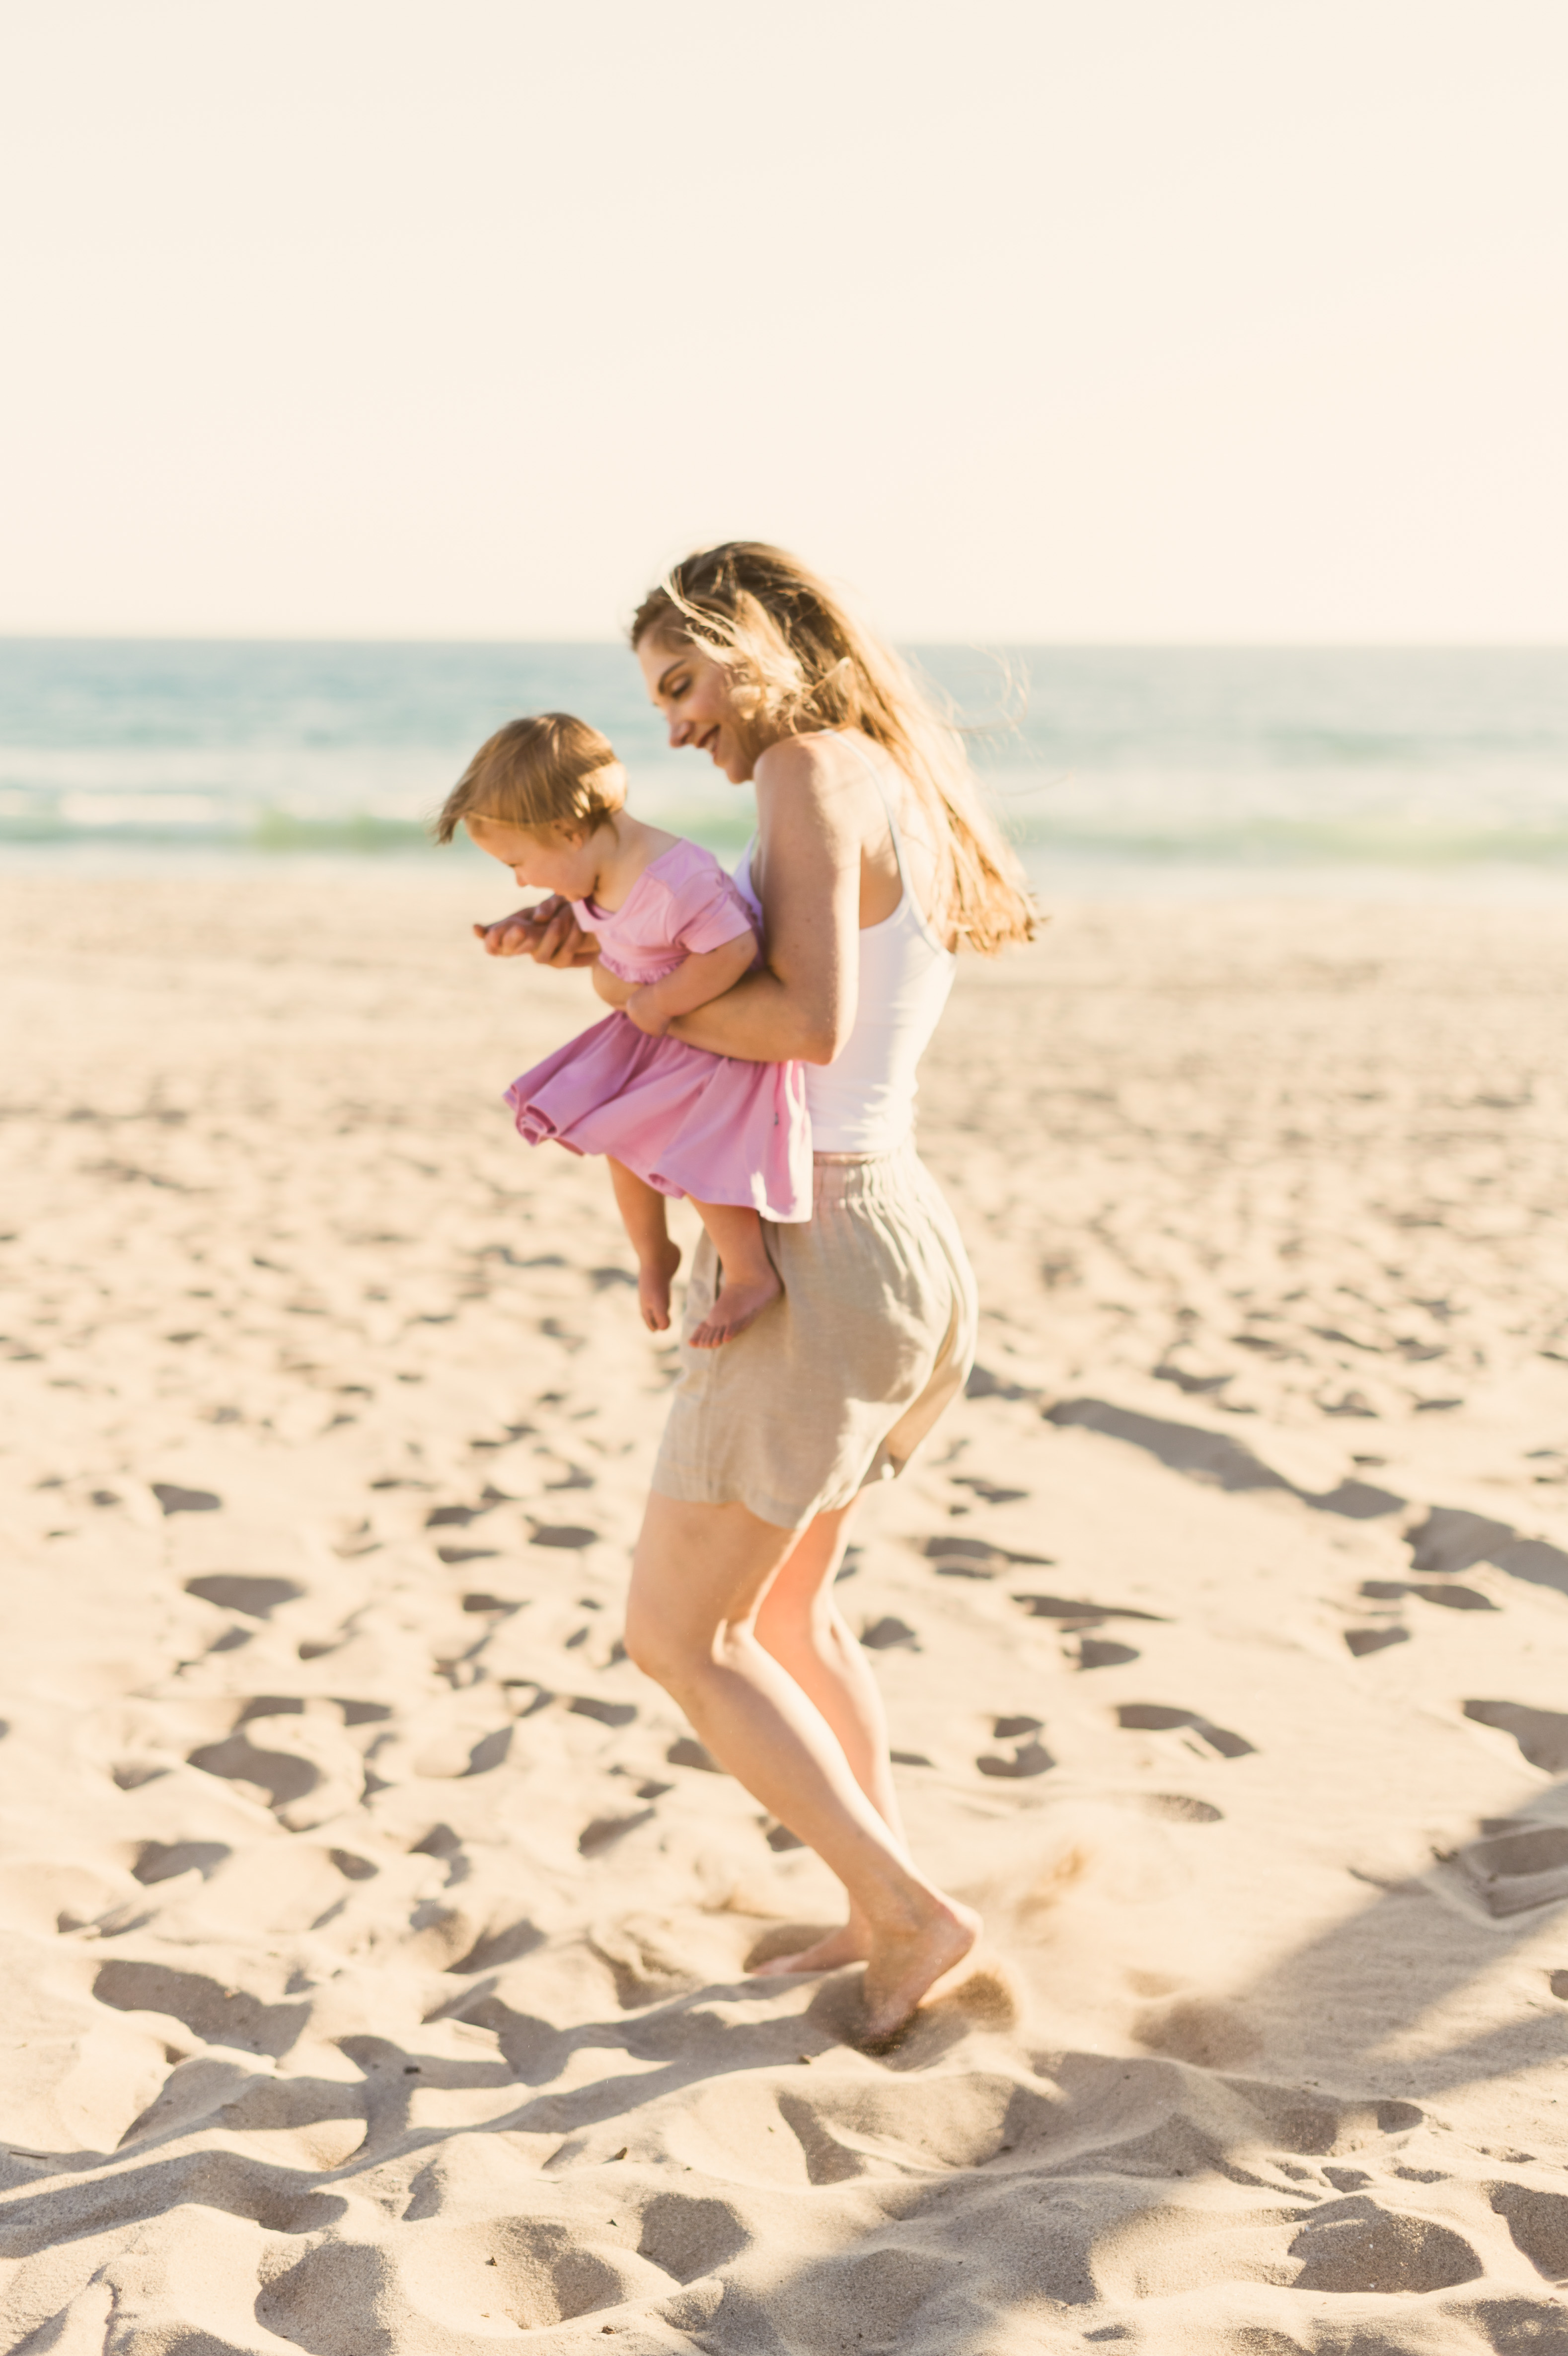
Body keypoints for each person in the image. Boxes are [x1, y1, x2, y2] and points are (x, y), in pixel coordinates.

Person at [475, 544, 1036, 2045]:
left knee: (678, 1636)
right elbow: (783, 1003)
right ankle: (879, 1903)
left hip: (827, 1243)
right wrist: (600, 936)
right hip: (894, 1227)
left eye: (680, 682)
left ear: (754, 647)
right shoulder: (875, 770)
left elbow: (794, 1021)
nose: (669, 728)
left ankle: (912, 1914)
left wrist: (608, 985)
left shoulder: (802, 766)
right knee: (786, 1611)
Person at [437, 712, 809, 1349]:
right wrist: (528, 928)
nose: (522, 879)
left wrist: (661, 1002)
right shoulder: (596, 866)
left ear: (568, 829)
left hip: (713, 1040)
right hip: (659, 1030)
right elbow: (598, 921)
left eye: (519, 863)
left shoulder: (674, 877)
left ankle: (749, 1273)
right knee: (618, 1134)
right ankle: (654, 1251)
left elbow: (732, 950)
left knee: (689, 1155)